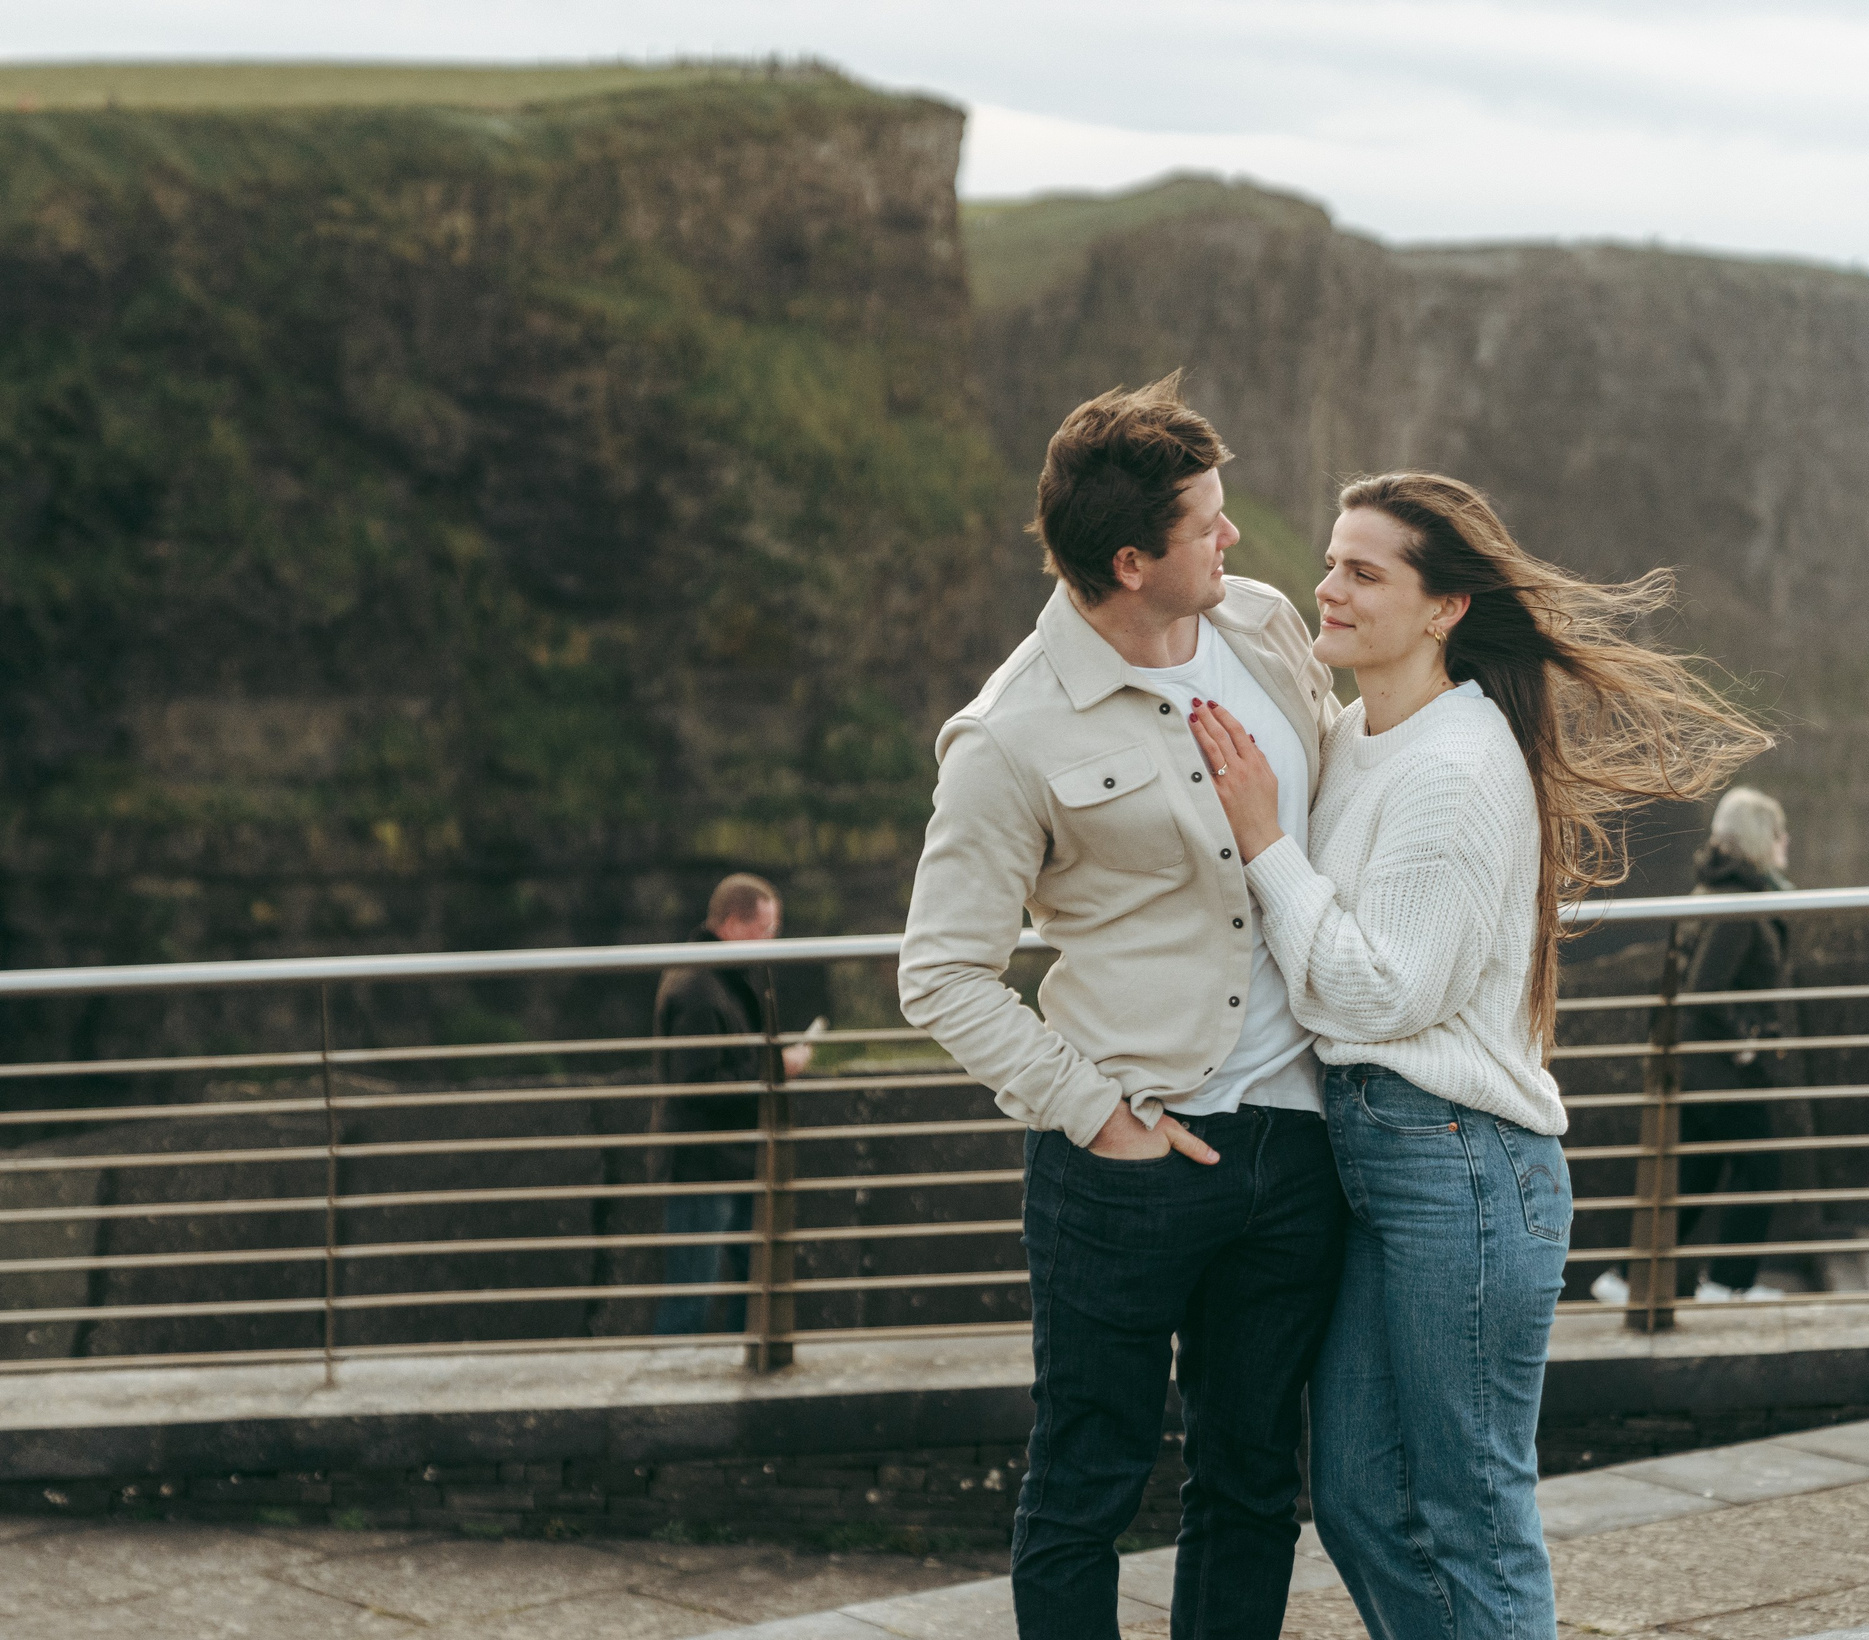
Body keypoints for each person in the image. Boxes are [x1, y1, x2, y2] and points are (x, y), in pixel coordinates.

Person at [1187, 471, 1766, 1640]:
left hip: (1462, 1165)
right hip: (1382, 1157)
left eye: (1364, 571)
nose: (1329, 587)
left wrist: (1263, 840)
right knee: (1358, 1496)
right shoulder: (1355, 735)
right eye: (1331, 561)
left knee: (1471, 1508)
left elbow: (1384, 988)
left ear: (1444, 607)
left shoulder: (1455, 766)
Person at [898, 375, 1346, 1640]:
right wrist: (1098, 1116)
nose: (1236, 535)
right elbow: (940, 971)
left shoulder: (1263, 626)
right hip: (1126, 1161)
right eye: (1208, 522)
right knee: (1084, 1486)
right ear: (1131, 561)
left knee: (1254, 1482)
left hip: (1297, 1140)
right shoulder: (1008, 733)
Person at [1591, 789, 1794, 1310]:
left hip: (1697, 1065)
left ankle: (1626, 1277)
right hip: (1721, 1069)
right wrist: (1745, 1038)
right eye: (1778, 832)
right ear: (1759, 839)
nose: (1785, 842)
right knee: (1762, 1167)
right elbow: (1704, 987)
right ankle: (1727, 1285)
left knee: (1697, 1176)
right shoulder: (1739, 905)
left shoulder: (1714, 891)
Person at [651, 873, 813, 1336]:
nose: (771, 942)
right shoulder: (697, 988)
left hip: (729, 1158)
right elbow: (699, 1085)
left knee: (746, 1281)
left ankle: (734, 1370)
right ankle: (675, 1379)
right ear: (732, 925)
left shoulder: (718, 978)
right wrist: (776, 1069)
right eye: (765, 930)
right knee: (691, 1294)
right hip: (703, 1164)